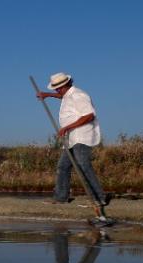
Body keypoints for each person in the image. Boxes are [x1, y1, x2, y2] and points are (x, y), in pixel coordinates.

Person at [36, 73, 110, 206]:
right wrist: (47, 95)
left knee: (83, 165)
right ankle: (61, 197)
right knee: (63, 166)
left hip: (82, 136)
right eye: (55, 88)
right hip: (71, 138)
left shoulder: (79, 95)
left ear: (66, 85)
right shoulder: (68, 95)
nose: (56, 90)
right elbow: (62, 96)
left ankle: (98, 198)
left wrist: (67, 127)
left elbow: (89, 116)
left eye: (58, 88)